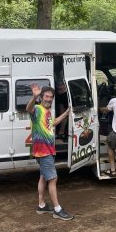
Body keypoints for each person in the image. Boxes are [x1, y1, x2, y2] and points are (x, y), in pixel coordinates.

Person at [26, 83, 73, 220]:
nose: (49, 99)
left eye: (51, 97)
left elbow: (53, 123)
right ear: (41, 97)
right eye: (46, 96)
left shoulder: (47, 112)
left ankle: (41, 205)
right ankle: (57, 209)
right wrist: (34, 97)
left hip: (46, 150)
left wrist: (66, 113)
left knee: (43, 177)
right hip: (43, 151)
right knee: (53, 179)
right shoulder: (37, 109)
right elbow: (28, 108)